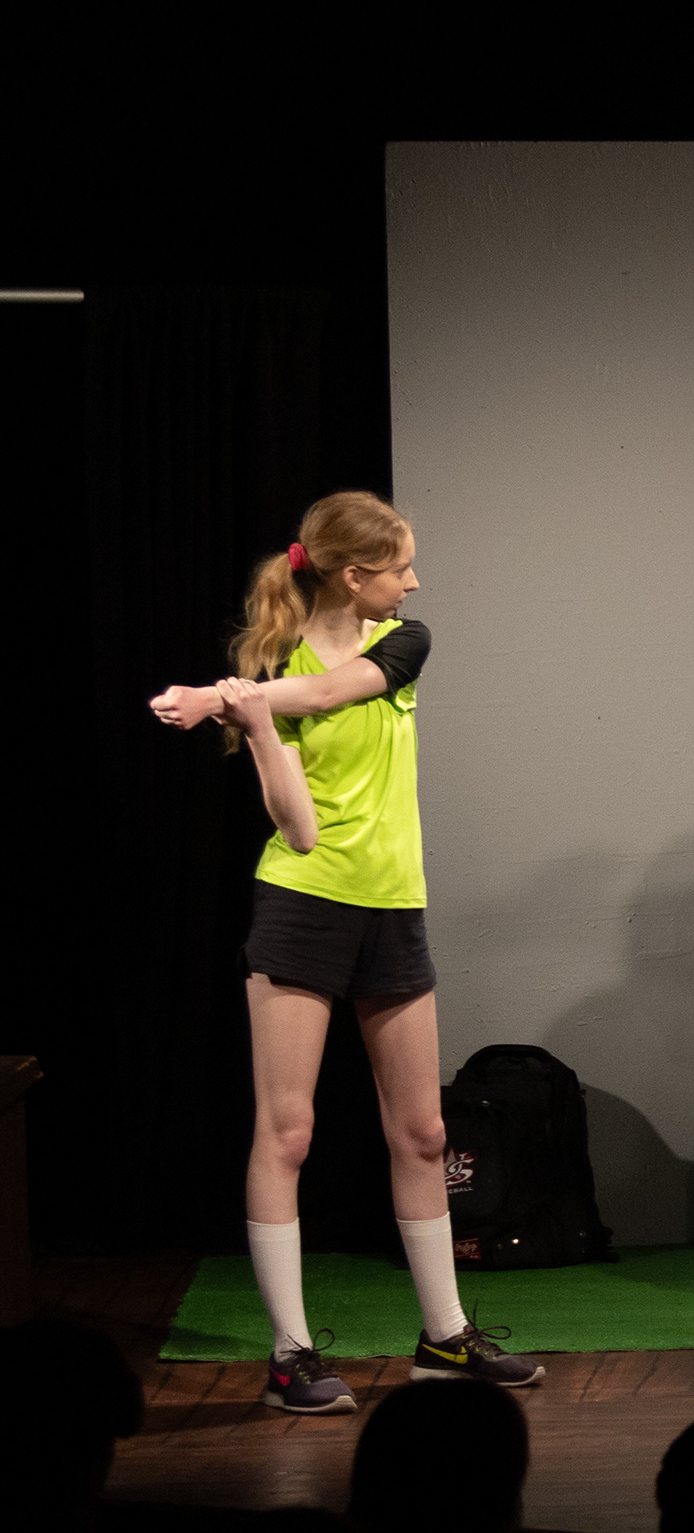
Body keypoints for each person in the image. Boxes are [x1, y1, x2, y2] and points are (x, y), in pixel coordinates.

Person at [148, 490, 538, 1410]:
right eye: (399, 567)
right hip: (302, 907)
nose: (415, 581)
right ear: (354, 575)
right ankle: (290, 1357)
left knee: (424, 1133)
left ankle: (444, 1338)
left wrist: (217, 700)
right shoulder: (270, 669)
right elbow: (300, 831)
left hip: (393, 909)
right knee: (288, 1132)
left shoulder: (402, 643)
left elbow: (332, 692)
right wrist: (253, 724)